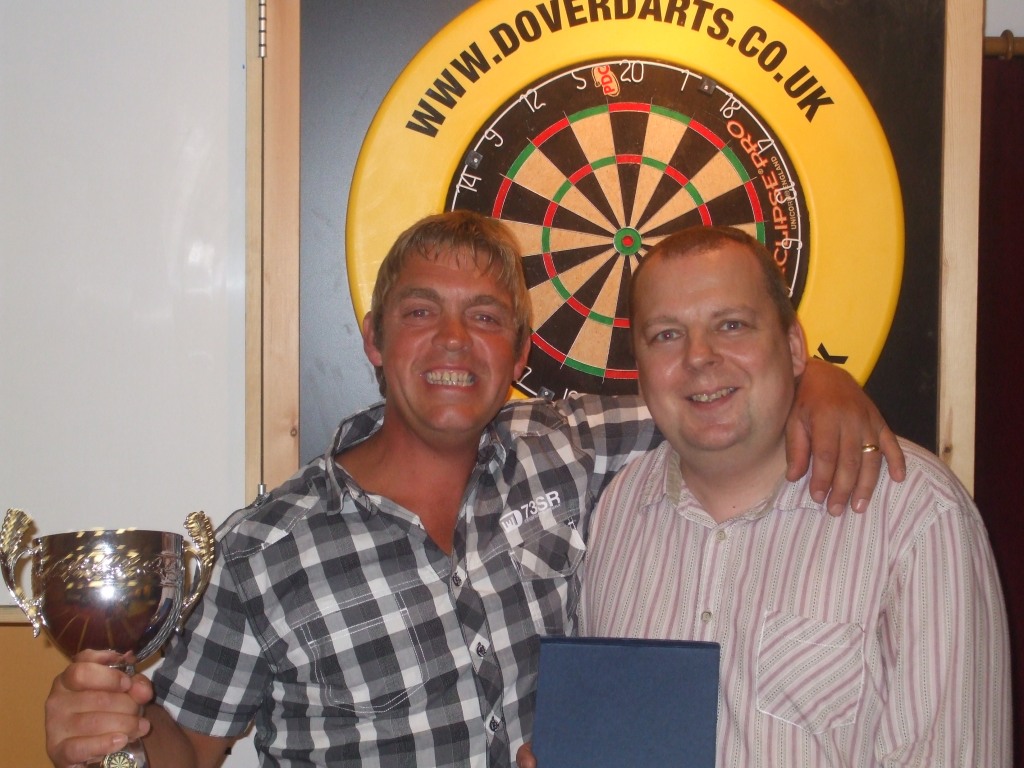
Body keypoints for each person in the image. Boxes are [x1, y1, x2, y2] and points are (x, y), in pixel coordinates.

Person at [43, 213, 905, 768]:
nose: (454, 341)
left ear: (519, 352)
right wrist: (110, 730)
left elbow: (710, 395)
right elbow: (189, 746)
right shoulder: (267, 548)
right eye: (421, 312)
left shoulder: (564, 450)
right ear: (375, 339)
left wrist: (819, 379)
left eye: (486, 317)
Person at [572, 226, 1009, 765]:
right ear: (639, 368)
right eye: (666, 334)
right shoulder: (618, 510)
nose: (699, 356)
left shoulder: (915, 511)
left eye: (731, 325)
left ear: (795, 348)